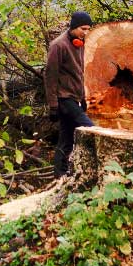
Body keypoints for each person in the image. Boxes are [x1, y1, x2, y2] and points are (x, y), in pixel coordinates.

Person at [44, 11, 94, 178]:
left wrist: (83, 98)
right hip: (64, 99)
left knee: (65, 139)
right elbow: (50, 77)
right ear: (73, 27)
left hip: (75, 98)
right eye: (83, 28)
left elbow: (79, 74)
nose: (86, 32)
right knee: (92, 129)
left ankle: (60, 175)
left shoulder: (80, 43)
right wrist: (52, 106)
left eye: (88, 29)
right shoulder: (58, 46)